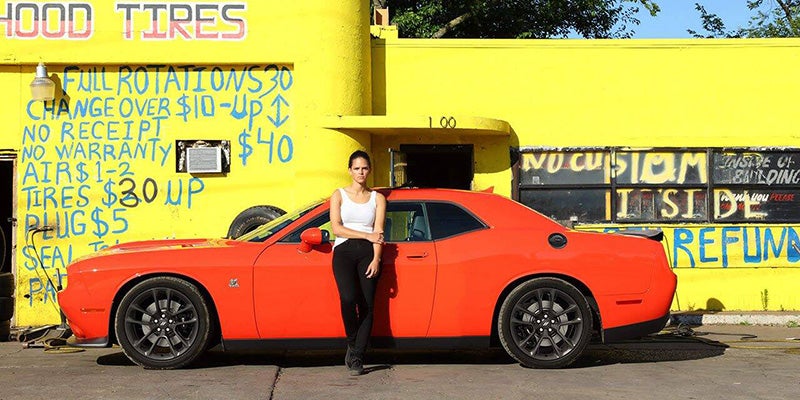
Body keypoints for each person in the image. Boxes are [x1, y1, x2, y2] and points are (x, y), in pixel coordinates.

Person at [330, 150, 386, 376]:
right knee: (348, 299)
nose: (361, 172)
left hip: (368, 253)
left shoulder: (378, 198)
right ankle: (352, 342)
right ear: (350, 170)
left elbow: (379, 231)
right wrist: (366, 236)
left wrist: (377, 258)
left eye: (364, 168)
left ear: (369, 170)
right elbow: (337, 228)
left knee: (367, 305)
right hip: (344, 250)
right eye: (357, 168)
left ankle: (357, 357)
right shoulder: (339, 195)